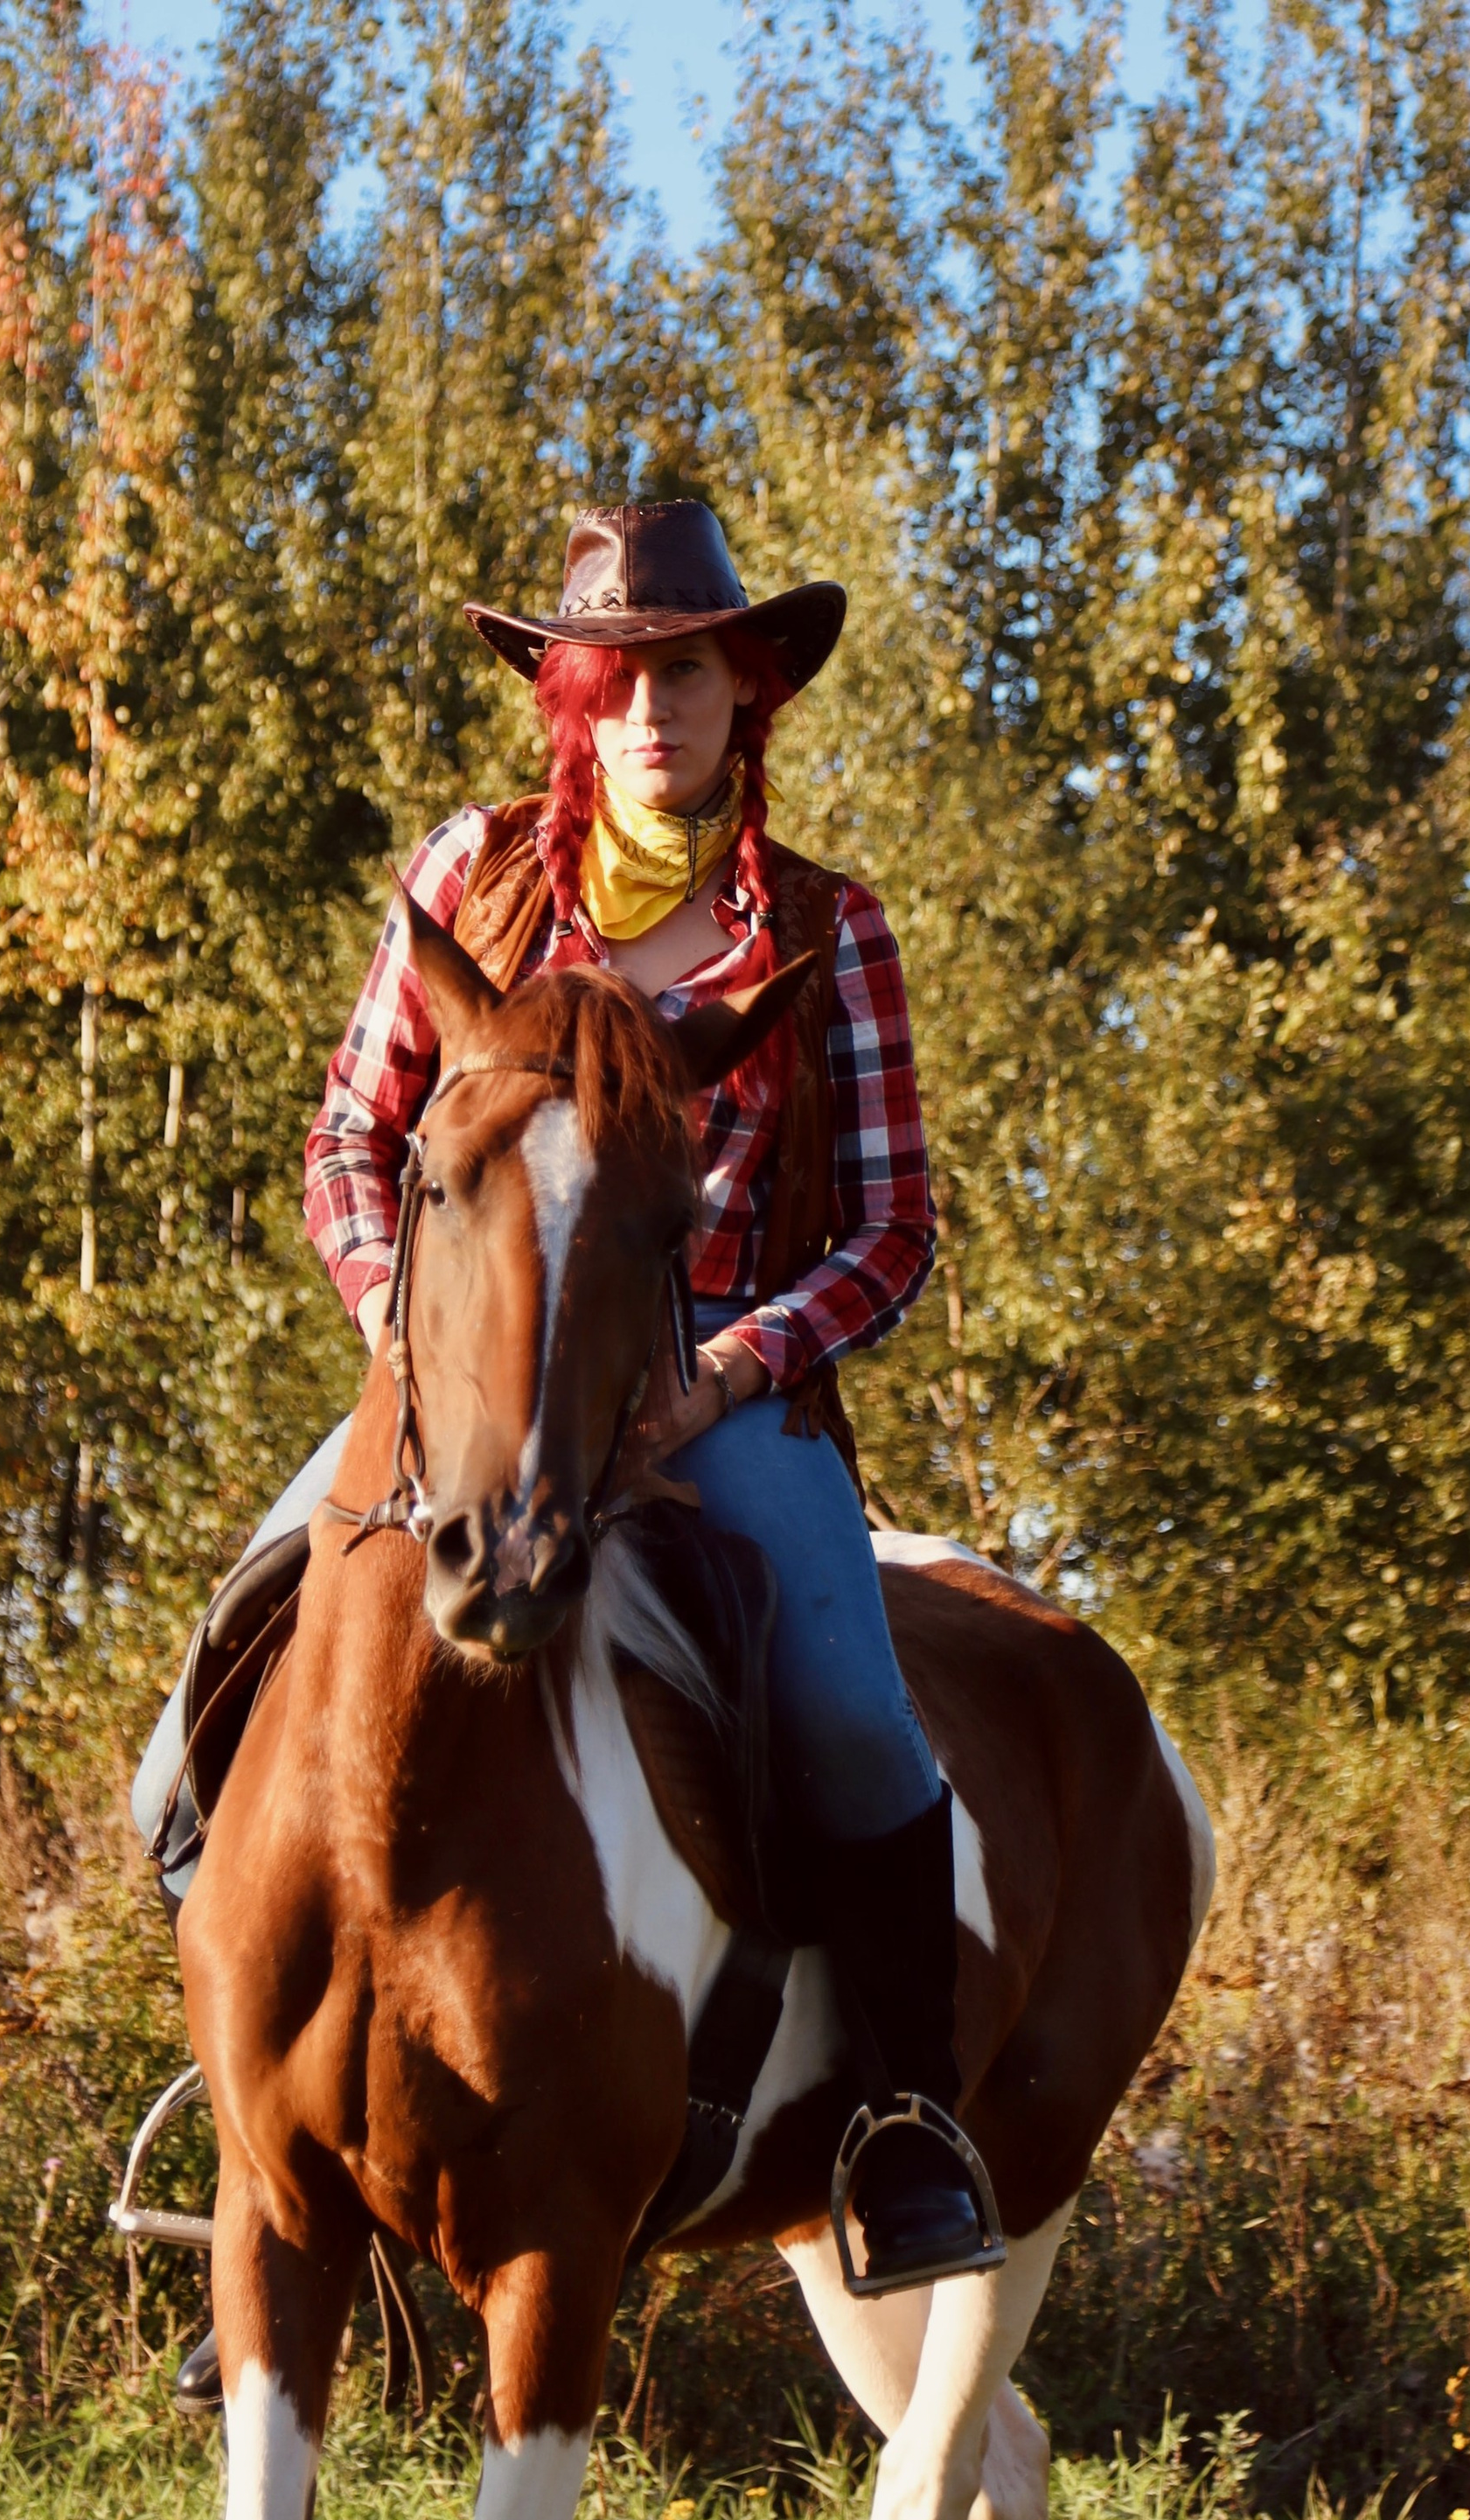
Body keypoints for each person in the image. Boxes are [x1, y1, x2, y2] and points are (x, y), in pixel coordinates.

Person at [141, 499, 990, 2289]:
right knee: (198, 1720)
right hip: (456, 1374)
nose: (650, 710)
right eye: (618, 676)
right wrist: (397, 1322)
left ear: (746, 693)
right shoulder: (473, 873)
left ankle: (903, 2124)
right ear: (573, 697)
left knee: (850, 1717)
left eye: (688, 674)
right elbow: (348, 1140)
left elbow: (896, 1229)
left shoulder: (828, 931)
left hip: (713, 1394)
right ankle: (258, 2113)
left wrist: (732, 1367)